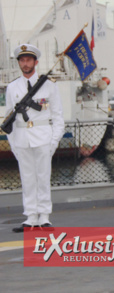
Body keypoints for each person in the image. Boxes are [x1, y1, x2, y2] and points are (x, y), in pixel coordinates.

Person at [6, 44, 65, 232]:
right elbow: (9, 119)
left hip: (43, 136)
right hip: (22, 137)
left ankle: (44, 217)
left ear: (35, 62)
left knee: (43, 177)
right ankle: (31, 217)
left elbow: (57, 117)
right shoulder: (12, 87)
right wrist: (13, 143)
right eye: (22, 60)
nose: (25, 63)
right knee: (28, 178)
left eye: (28, 60)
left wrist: (54, 141)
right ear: (19, 63)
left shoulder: (49, 86)